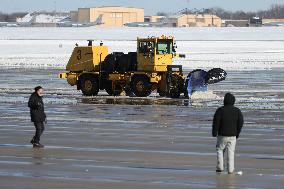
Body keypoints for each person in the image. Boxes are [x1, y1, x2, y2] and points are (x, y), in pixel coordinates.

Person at [212, 93, 243, 174]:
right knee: (231, 152)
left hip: (222, 135)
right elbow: (240, 123)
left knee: (220, 150)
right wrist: (237, 133)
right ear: (233, 101)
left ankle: (220, 167)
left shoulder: (220, 110)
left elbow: (216, 122)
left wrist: (214, 132)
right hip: (233, 135)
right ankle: (230, 169)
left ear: (224, 101)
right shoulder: (237, 111)